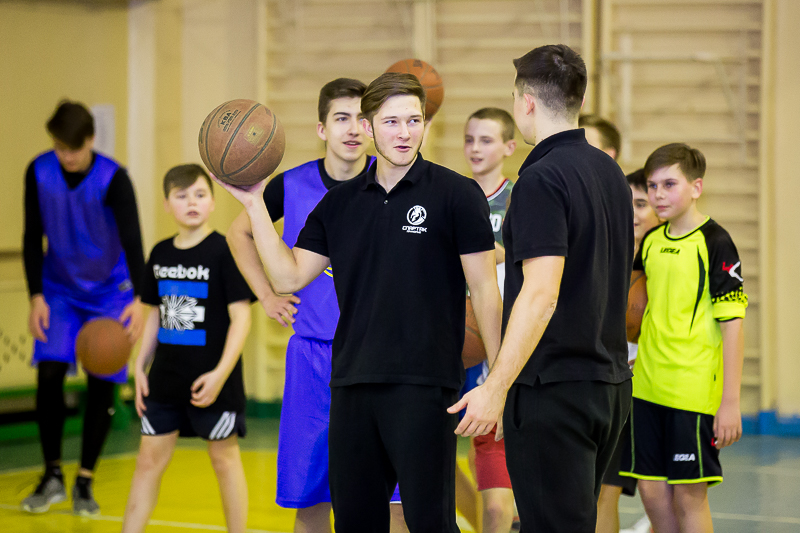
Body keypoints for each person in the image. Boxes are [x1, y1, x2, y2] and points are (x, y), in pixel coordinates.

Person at [217, 72, 501, 532]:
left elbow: (486, 289)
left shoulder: (456, 194)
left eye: (413, 120)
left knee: (427, 522)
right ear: (368, 128)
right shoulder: (338, 204)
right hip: (351, 385)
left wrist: (498, 383)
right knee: (354, 522)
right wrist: (253, 205)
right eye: (391, 122)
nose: (404, 132)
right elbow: (288, 275)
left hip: (425, 386)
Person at [451, 44, 634, 532]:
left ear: (526, 102)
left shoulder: (540, 178)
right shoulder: (611, 173)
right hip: (609, 387)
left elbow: (541, 293)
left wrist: (495, 387)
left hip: (554, 392)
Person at [227, 78, 390, 533]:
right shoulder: (292, 184)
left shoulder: (393, 179)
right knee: (312, 498)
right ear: (322, 129)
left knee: (393, 503)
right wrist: (266, 293)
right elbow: (238, 233)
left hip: (379, 356)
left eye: (362, 119)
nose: (353, 128)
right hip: (314, 359)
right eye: (341, 118)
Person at [22, 100, 145, 515]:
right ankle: (52, 475)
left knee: (102, 379)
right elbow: (31, 236)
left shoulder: (114, 179)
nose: (67, 156)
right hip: (59, 289)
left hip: (110, 290)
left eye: (74, 148)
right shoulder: (39, 172)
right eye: (60, 147)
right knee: (49, 373)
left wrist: (141, 299)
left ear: (91, 140)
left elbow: (133, 240)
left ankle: (86, 481)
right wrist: (36, 295)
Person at [619, 144, 747, 532]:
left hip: (692, 390)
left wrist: (730, 402)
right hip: (646, 387)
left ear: (696, 187)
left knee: (689, 496)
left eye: (669, 184)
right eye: (653, 186)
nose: (658, 194)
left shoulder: (715, 242)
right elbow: (637, 306)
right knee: (652, 492)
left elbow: (733, 325)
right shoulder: (652, 242)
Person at [121, 164, 253, 533]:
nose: (191, 202)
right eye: (181, 196)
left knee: (224, 460)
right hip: (165, 381)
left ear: (212, 202)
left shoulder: (225, 251)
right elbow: (155, 314)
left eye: (199, 194)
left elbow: (242, 318)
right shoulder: (160, 253)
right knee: (148, 460)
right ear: (167, 204)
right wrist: (139, 366)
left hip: (214, 383)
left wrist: (220, 374)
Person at [462, 107, 517, 533]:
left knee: (489, 442)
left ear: (509, 147)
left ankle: (500, 514)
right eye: (469, 139)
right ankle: (480, 517)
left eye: (486, 140)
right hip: (456, 337)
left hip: (496, 337)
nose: (475, 148)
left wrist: (489, 253)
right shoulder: (452, 194)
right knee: (442, 452)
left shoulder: (518, 198)